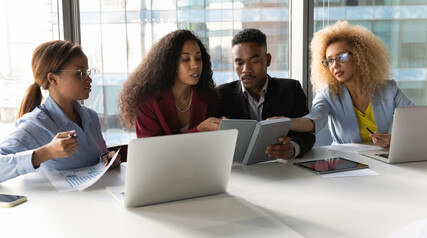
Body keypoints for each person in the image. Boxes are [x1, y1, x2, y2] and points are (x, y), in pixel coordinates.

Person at [0, 40, 120, 183]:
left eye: (87, 72)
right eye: (79, 73)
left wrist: (107, 157)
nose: (88, 79)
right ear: (53, 79)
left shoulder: (91, 117)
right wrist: (45, 153)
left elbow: (95, 159)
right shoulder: (35, 125)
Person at [290, 21, 414, 147]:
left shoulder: (388, 88)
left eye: (341, 57)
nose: (335, 65)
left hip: (382, 158)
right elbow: (314, 119)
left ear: (360, 56)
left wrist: (394, 139)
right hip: (345, 161)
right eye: (330, 61)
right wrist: (286, 123)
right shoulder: (328, 93)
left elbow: (415, 119)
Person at [217, 28, 315, 159]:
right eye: (239, 63)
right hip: (241, 173)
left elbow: (308, 135)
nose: (246, 70)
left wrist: (292, 147)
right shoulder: (222, 95)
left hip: (283, 170)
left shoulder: (291, 90)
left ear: (267, 60)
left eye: (254, 61)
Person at [119, 29, 221, 137]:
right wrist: (200, 130)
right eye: (186, 59)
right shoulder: (147, 102)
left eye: (198, 58)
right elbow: (152, 150)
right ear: (169, 64)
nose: (195, 65)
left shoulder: (207, 97)